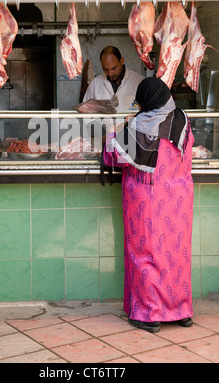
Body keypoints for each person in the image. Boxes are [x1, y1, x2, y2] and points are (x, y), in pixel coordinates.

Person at [103, 77, 194, 333]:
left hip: (147, 199)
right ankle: (181, 310)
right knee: (177, 252)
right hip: (179, 200)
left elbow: (113, 156)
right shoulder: (181, 119)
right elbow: (189, 147)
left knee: (146, 253)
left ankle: (148, 313)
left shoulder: (138, 125)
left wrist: (113, 133)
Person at [83, 46, 144, 112]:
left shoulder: (139, 81)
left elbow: (147, 112)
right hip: (103, 123)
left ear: (121, 61)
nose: (110, 73)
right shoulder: (95, 84)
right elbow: (86, 112)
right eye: (106, 69)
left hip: (130, 122)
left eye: (114, 68)